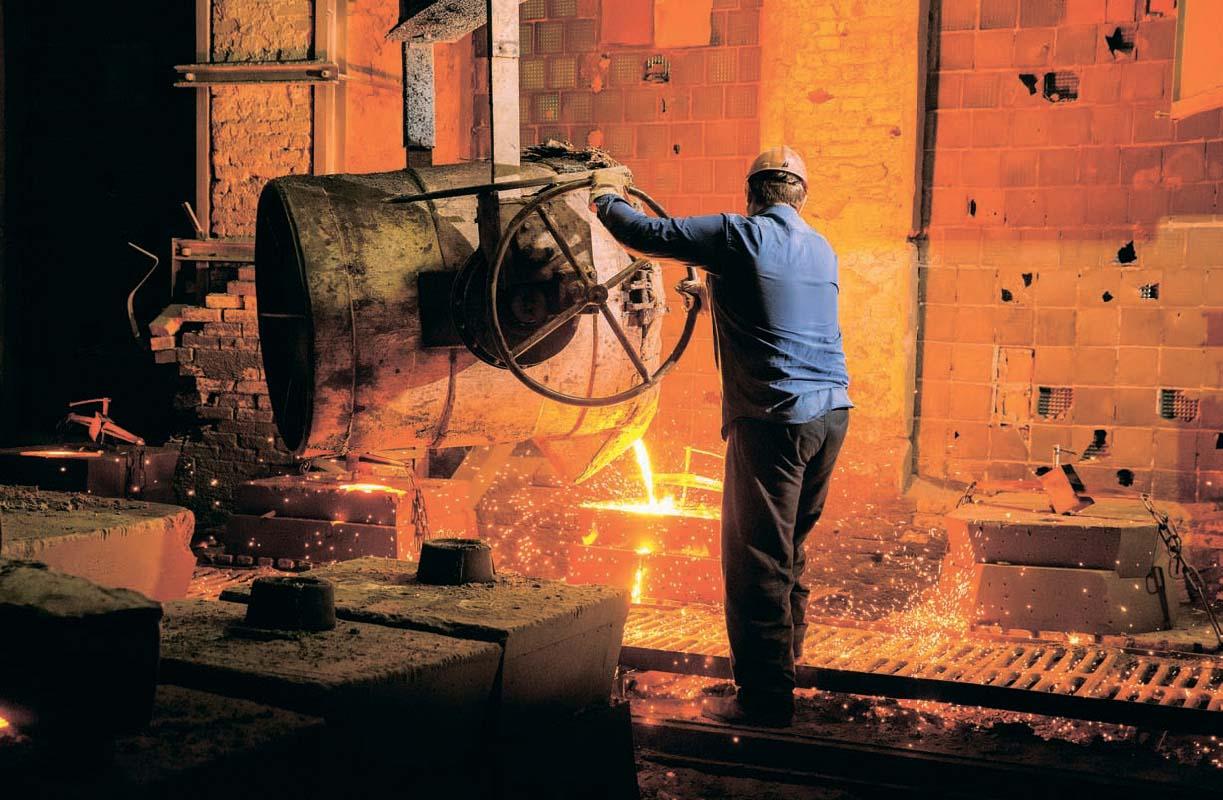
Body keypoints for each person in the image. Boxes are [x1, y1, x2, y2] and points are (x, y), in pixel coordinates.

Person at [590, 147, 851, 727]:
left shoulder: (739, 235)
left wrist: (602, 193)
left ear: (752, 195)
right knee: (789, 548)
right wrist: (713, 296)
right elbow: (781, 303)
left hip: (774, 419)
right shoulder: (821, 247)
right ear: (801, 197)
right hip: (831, 415)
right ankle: (787, 661)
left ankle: (764, 701)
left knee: (755, 557)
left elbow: (643, 233)